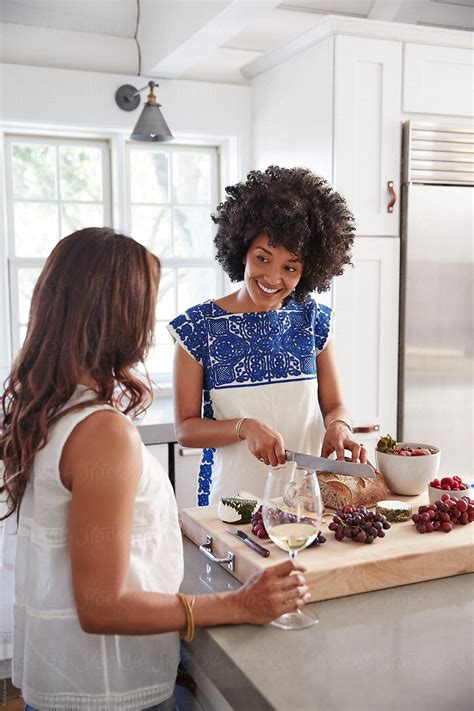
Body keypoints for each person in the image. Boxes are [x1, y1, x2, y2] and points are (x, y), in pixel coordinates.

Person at [0, 227, 309, 711]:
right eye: (147, 301)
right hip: (109, 695)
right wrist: (238, 605)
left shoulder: (48, 409)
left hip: (68, 683)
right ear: (117, 314)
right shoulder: (102, 433)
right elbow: (102, 604)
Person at [169, 166, 367, 506]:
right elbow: (186, 429)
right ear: (242, 250)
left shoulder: (313, 320)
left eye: (290, 267)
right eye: (263, 258)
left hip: (308, 502)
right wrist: (244, 427)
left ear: (307, 271)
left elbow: (334, 405)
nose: (273, 277)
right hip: (232, 503)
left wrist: (340, 427)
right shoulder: (197, 328)